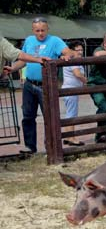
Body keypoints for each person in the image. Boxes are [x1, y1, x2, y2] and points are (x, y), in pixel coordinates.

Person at [4, 17, 75, 154]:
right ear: (33, 30)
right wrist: (13, 68)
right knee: (28, 116)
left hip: (46, 85)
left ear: (47, 29)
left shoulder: (55, 41)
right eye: (37, 30)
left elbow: (68, 52)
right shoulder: (29, 40)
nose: (40, 33)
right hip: (29, 84)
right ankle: (30, 147)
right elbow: (23, 60)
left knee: (49, 117)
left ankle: (50, 147)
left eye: (43, 30)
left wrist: (66, 56)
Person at [62, 40, 87, 146]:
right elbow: (77, 74)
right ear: (72, 51)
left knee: (70, 113)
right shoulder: (73, 60)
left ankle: (68, 136)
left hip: (72, 90)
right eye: (78, 50)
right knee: (72, 114)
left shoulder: (75, 60)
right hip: (70, 89)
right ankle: (71, 137)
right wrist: (86, 80)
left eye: (81, 50)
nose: (80, 52)